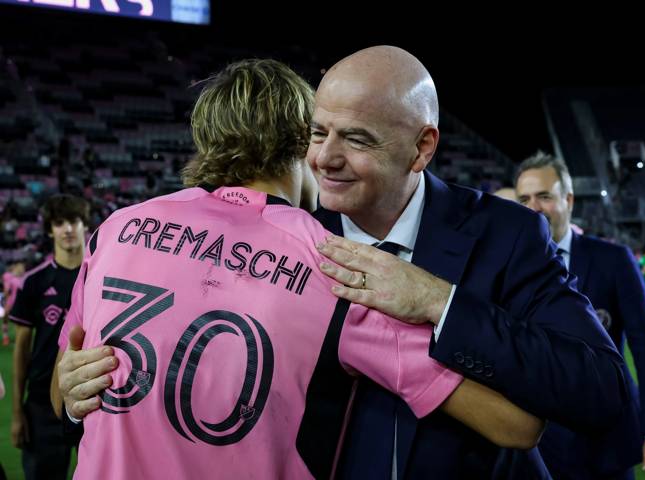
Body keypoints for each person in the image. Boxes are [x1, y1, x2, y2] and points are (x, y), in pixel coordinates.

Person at [52, 59, 542, 479]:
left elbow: (63, 390)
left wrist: (70, 395)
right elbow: (516, 426)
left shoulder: (119, 228)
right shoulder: (331, 263)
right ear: (301, 141)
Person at [307, 46, 628, 478]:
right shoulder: (294, 232)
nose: (324, 157)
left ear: (422, 147)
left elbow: (600, 389)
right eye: (317, 132)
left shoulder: (507, 234)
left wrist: (439, 300)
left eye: (357, 138)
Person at [515, 152, 645, 480]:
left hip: (604, 441)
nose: (533, 207)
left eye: (544, 196)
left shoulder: (613, 259)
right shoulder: (508, 266)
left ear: (569, 200)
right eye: (524, 199)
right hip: (532, 442)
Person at [9, 194, 89, 480]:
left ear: (84, 225)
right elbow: (21, 349)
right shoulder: (34, 281)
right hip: (42, 403)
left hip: (88, 398)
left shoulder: (99, 276)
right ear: (49, 230)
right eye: (59, 223)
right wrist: (18, 412)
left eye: (74, 221)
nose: (68, 229)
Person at [2, 261, 25, 345]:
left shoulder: (23, 278)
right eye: (21, 267)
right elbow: (6, 291)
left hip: (17, 303)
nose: (22, 269)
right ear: (15, 267)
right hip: (10, 302)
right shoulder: (8, 276)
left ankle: (14, 339)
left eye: (23, 268)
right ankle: (5, 337)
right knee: (6, 319)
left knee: (17, 322)